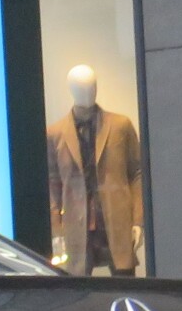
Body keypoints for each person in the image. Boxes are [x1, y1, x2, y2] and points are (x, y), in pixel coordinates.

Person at [46, 63, 146, 278]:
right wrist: (56, 230)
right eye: (81, 87)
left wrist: (138, 220)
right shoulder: (55, 134)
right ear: (70, 89)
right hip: (77, 225)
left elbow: (137, 174)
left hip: (117, 221)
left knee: (125, 285)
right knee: (79, 290)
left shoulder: (121, 125)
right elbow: (53, 184)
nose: (88, 92)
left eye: (92, 86)